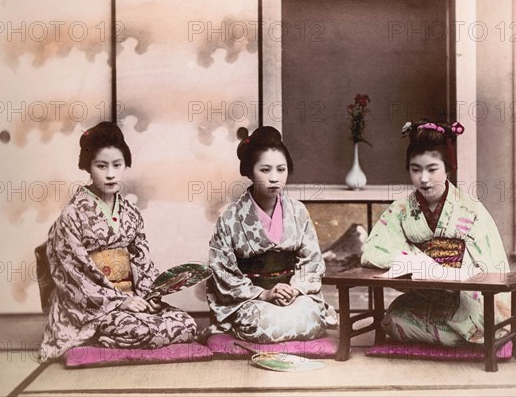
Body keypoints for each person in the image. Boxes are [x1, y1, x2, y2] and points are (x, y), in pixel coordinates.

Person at [39, 122, 197, 362]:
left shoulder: (130, 212)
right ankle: (101, 338)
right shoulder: (72, 215)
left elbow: (142, 260)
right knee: (141, 329)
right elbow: (75, 274)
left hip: (133, 298)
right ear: (88, 167)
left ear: (126, 165)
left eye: (117, 165)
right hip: (93, 305)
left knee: (186, 324)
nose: (110, 174)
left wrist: (149, 296)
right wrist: (120, 301)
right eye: (101, 166)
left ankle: (115, 338)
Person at [361, 119, 516, 345]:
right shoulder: (400, 209)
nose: (424, 179)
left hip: (466, 296)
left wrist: (453, 272)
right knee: (392, 320)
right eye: (415, 170)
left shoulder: (471, 209)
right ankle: (458, 338)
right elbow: (373, 251)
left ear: (448, 167)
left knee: (492, 317)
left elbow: (491, 264)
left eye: (432, 169)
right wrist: (414, 260)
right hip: (427, 295)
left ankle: (450, 335)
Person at [203, 126, 337, 343]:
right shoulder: (230, 217)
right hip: (252, 298)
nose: (274, 178)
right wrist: (264, 294)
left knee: (311, 318)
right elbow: (222, 271)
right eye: (265, 170)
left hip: (292, 294)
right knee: (262, 324)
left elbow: (312, 261)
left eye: (281, 170)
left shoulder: (298, 211)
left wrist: (294, 289)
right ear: (249, 171)